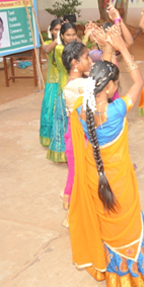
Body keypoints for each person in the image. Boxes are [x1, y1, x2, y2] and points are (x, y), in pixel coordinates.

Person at [68, 27, 144, 287]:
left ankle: (116, 278)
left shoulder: (80, 109)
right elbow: (138, 82)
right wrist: (123, 49)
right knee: (129, 224)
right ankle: (138, 274)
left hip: (96, 179)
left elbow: (102, 78)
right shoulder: (116, 110)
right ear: (110, 87)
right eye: (114, 83)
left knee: (107, 225)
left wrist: (108, 49)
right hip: (120, 180)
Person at [60, 41, 93, 228]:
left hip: (75, 135)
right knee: (80, 176)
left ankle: (75, 213)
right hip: (80, 137)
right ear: (75, 62)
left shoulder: (76, 81)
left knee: (77, 175)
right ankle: (75, 216)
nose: (90, 61)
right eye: (86, 57)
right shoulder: (80, 84)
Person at [47, 22, 78, 163]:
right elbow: (77, 56)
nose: (71, 37)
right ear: (62, 36)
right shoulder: (60, 49)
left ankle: (76, 150)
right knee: (64, 120)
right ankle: (65, 152)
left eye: (74, 34)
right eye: (68, 35)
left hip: (75, 85)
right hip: (65, 86)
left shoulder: (74, 47)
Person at [39, 18, 62, 147]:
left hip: (65, 81)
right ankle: (49, 137)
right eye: (56, 30)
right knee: (49, 110)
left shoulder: (68, 44)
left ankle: (61, 138)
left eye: (60, 30)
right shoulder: (48, 43)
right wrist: (58, 39)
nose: (58, 32)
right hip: (53, 83)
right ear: (51, 31)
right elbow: (47, 50)